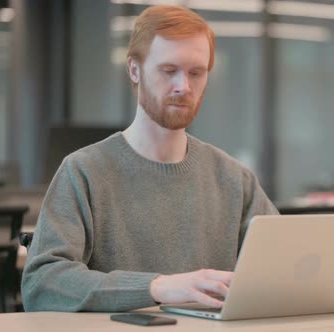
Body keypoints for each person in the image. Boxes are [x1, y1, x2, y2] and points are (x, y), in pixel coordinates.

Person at [21, 5, 278, 312]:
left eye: (196, 73)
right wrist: (157, 287)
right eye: (169, 71)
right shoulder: (83, 172)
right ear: (134, 69)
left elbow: (284, 265)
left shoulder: (235, 179)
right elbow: (42, 282)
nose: (184, 86)